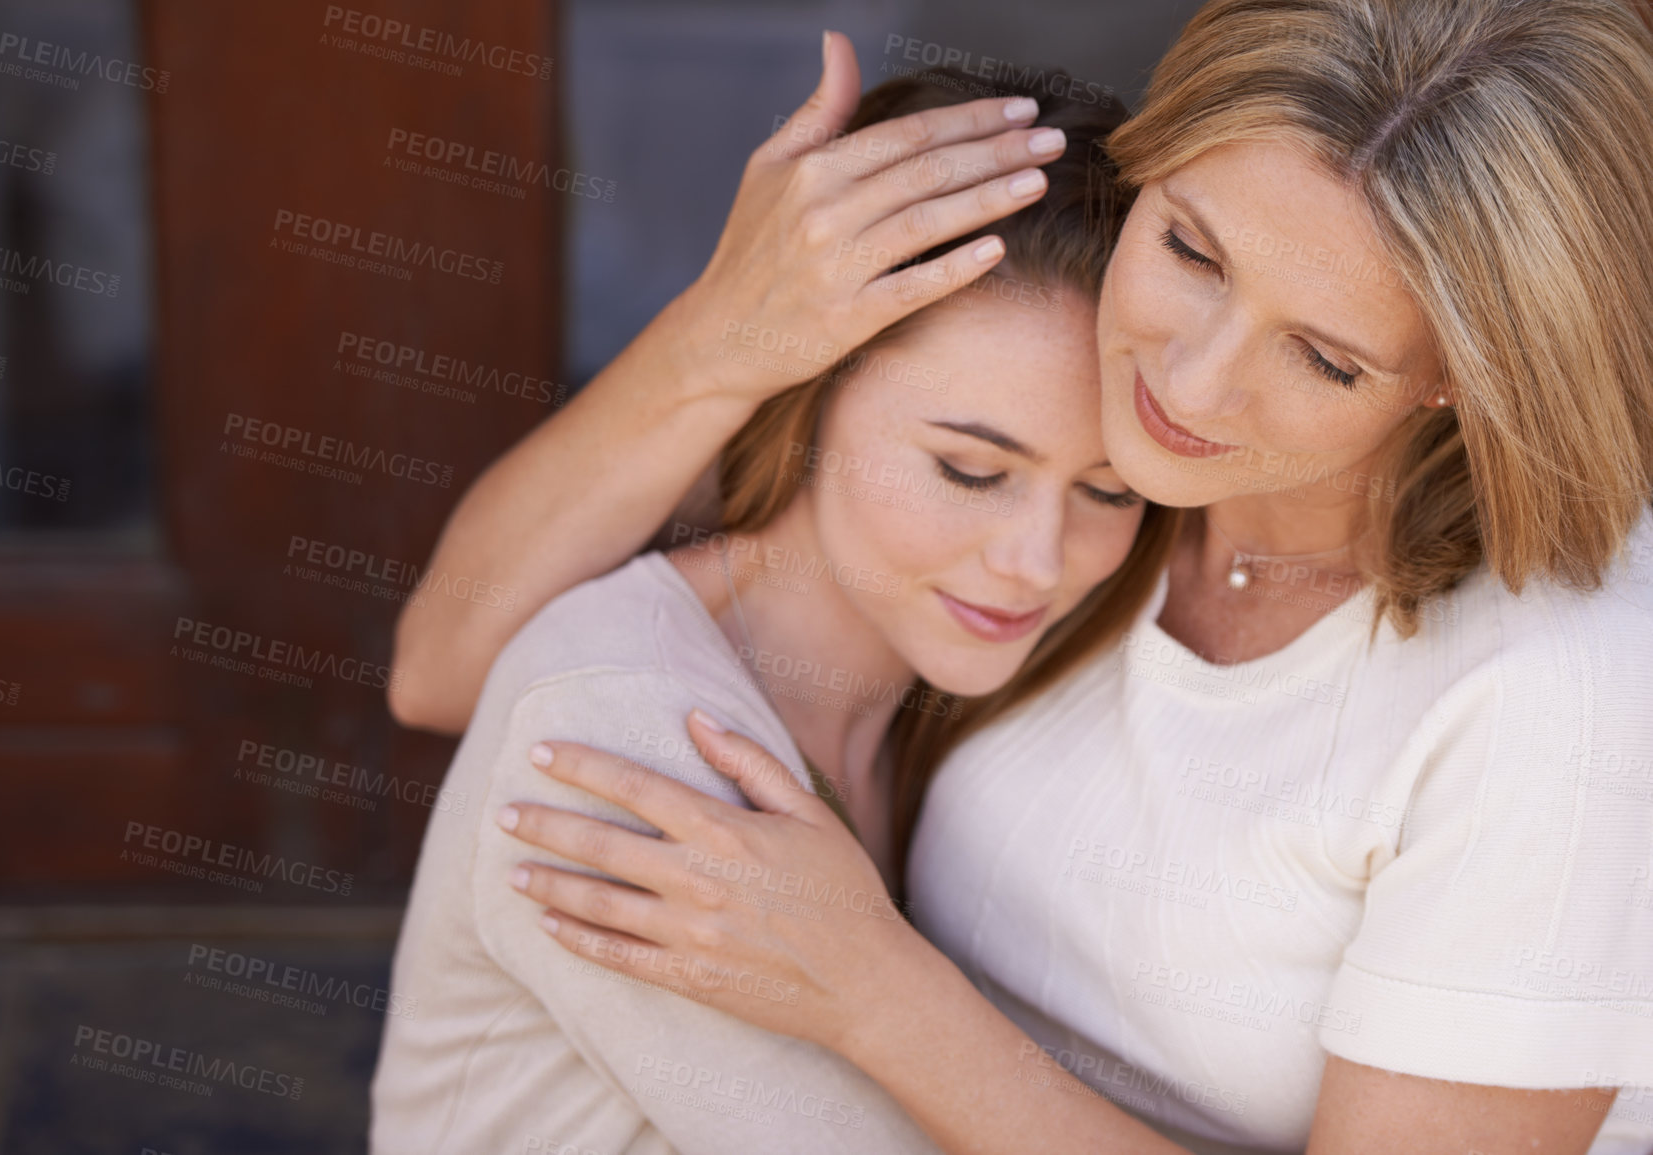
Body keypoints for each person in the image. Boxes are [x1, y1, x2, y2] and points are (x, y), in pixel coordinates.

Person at [401, 3, 1653, 1152]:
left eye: (1325, 360)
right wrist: (729, 331)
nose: (1193, 387)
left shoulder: (1552, 691)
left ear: (1465, 375)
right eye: (1191, 250)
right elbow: (457, 666)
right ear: (1149, 167)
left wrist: (882, 995)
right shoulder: (1117, 460)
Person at [370, 70, 1176, 1154]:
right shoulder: (626, 735)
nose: (1037, 563)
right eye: (970, 470)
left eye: (1110, 489)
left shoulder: (950, 701)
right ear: (813, 392)